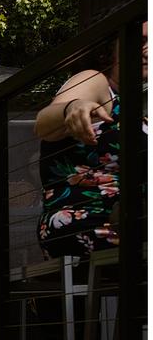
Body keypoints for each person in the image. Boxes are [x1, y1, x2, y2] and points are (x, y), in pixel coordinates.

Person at [34, 20, 147, 257]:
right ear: (109, 49)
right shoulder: (95, 80)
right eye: (142, 41)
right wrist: (72, 108)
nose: (148, 50)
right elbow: (44, 123)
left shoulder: (136, 104)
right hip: (87, 218)